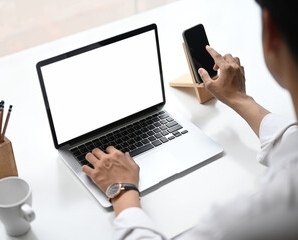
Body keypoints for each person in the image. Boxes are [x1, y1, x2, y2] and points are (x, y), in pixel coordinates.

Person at [82, 0, 298, 239]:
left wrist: (121, 188)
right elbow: (292, 144)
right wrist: (239, 98)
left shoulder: (243, 224)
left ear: (271, 33)